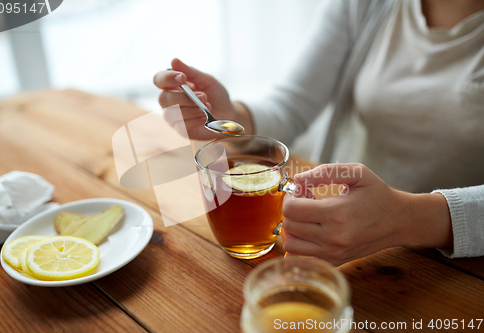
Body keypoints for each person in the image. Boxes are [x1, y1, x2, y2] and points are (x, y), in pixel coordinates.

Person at [153, 0, 484, 265]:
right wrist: (234, 117)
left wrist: (407, 218)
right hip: (342, 233)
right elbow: (294, 103)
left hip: (461, 265)